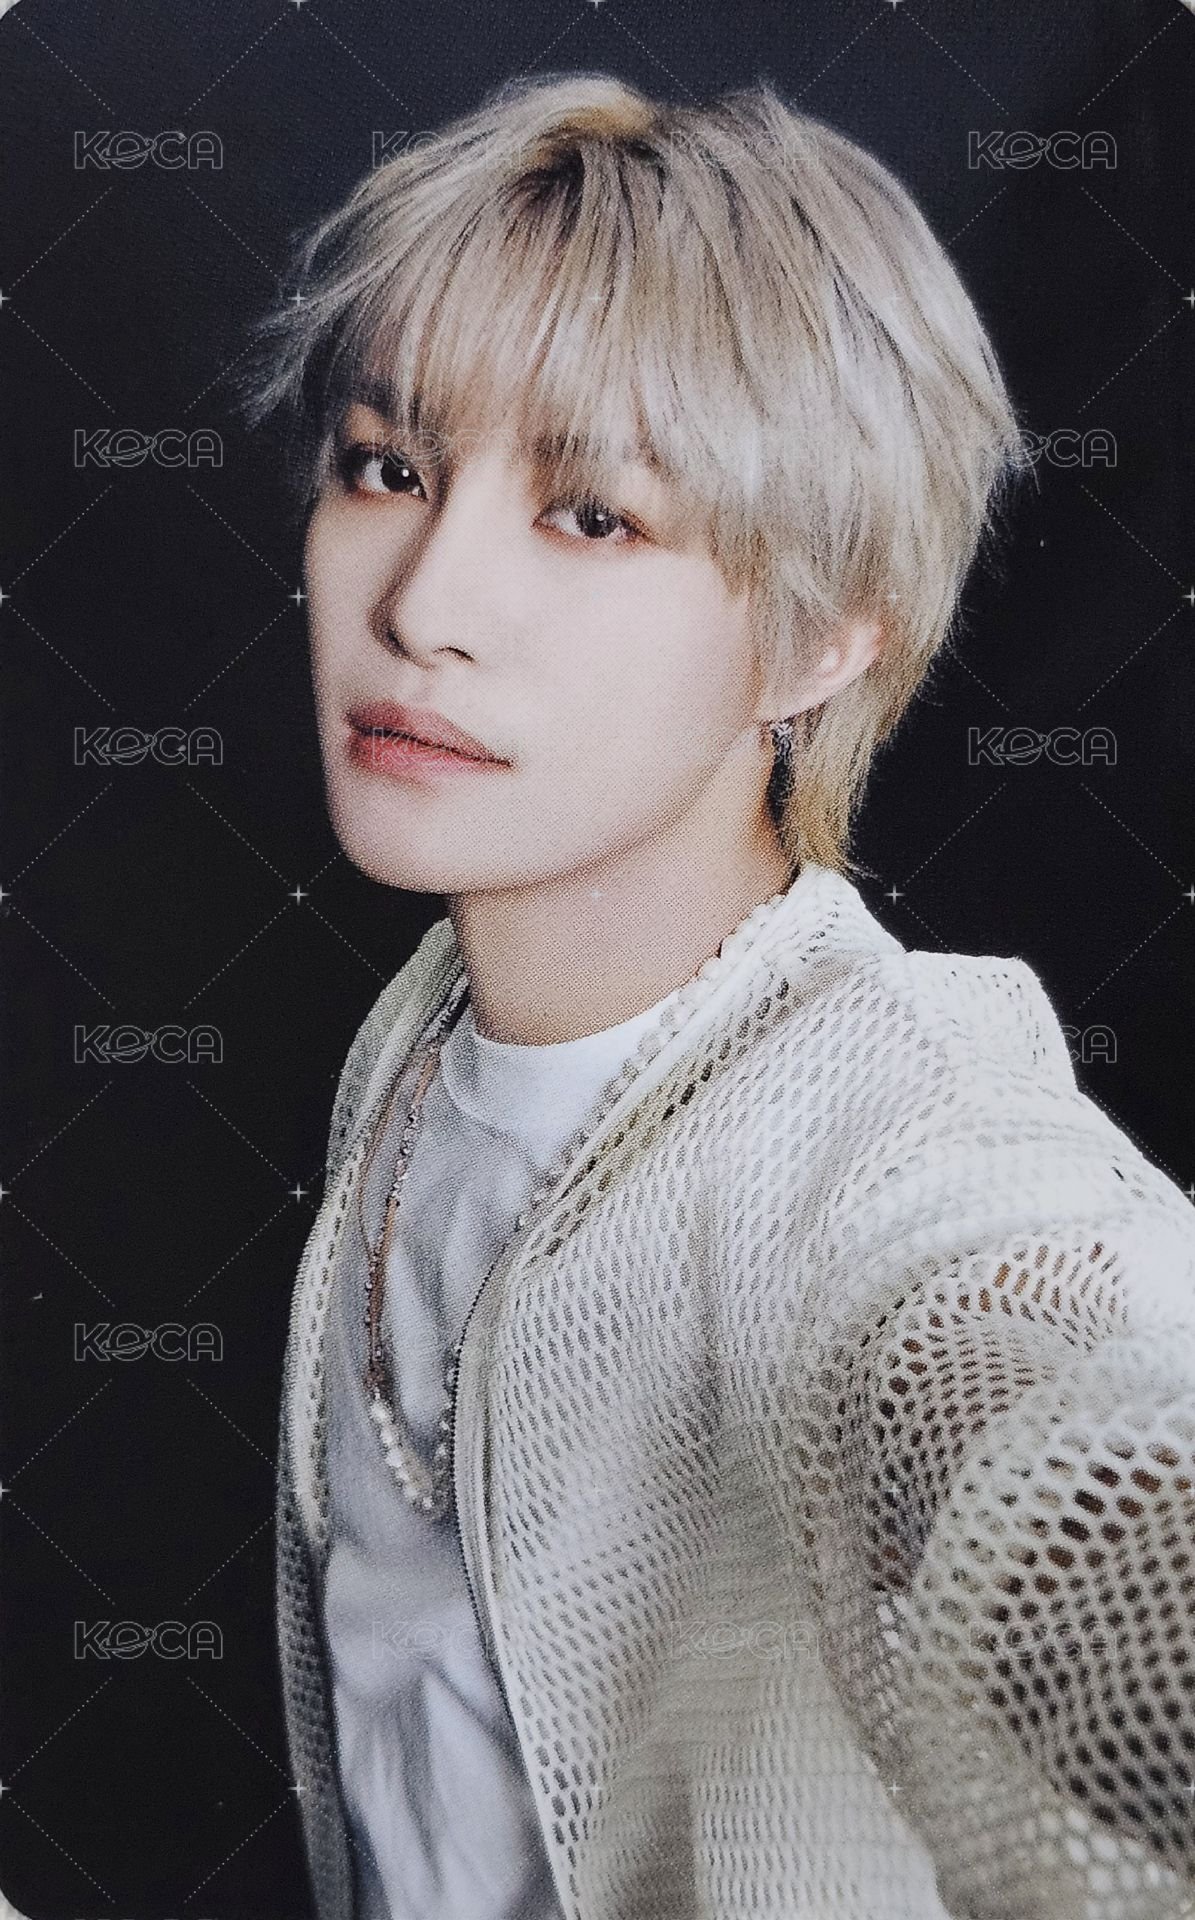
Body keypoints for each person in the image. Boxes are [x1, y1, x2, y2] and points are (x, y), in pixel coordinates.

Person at [238, 68, 1195, 1920]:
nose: (424, 603)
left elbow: (1043, 1394)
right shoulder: (427, 1035)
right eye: (390, 468)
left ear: (821, 634)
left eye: (592, 515)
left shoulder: (897, 1132)